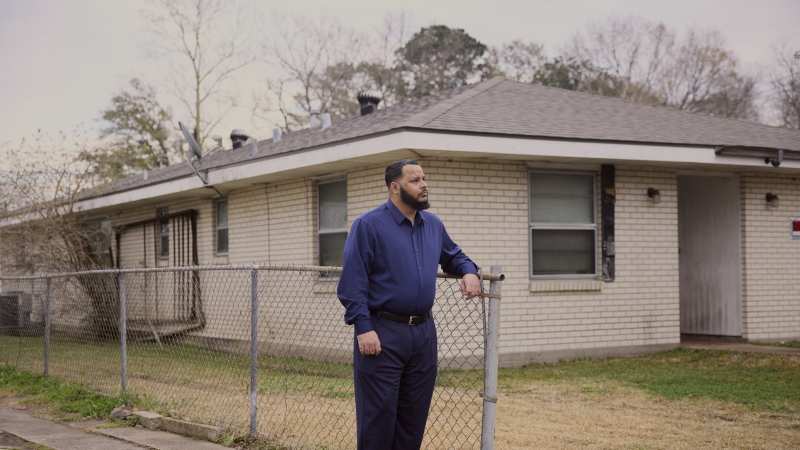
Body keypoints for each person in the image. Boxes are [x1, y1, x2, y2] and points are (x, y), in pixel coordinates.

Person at [337, 159, 481, 450]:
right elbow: (352, 282)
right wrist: (363, 327)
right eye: (415, 180)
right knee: (378, 422)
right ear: (395, 187)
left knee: (412, 422)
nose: (424, 185)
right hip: (381, 333)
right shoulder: (368, 225)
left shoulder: (433, 225)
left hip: (423, 335)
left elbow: (455, 256)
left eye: (423, 179)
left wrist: (469, 271)